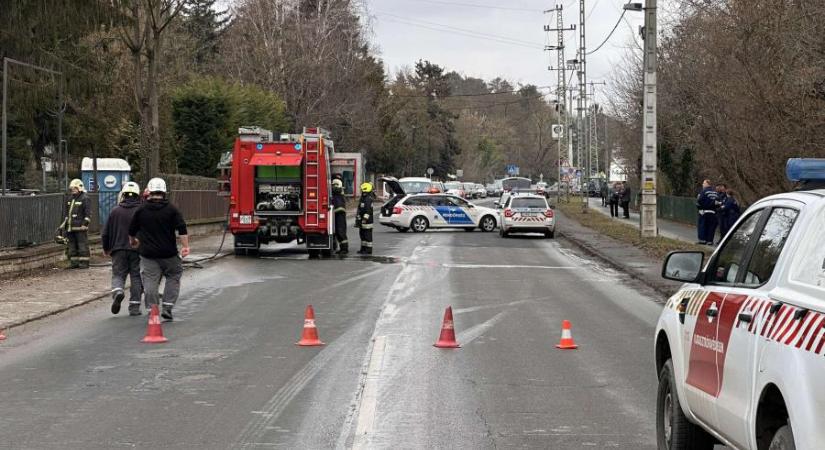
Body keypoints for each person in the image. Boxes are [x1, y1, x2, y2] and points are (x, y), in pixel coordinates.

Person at [128, 178, 189, 322]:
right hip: (169, 254)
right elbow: (182, 228)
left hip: (148, 255)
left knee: (150, 281)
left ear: (149, 191)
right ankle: (167, 306)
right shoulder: (172, 209)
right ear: (164, 192)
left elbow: (131, 230)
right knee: (174, 275)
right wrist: (185, 246)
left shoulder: (141, 210)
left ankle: (152, 309)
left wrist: (133, 242)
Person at [102, 181, 144, 316]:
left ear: (123, 195)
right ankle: (134, 307)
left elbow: (105, 233)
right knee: (136, 277)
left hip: (118, 249)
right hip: (137, 250)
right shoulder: (142, 211)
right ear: (138, 195)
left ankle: (118, 291)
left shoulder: (115, 211)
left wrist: (106, 248)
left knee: (118, 274)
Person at [59, 179, 92, 269]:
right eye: (72, 188)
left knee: (82, 245)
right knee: (72, 245)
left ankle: (84, 262)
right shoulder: (70, 198)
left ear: (80, 188)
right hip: (70, 227)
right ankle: (74, 262)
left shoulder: (85, 198)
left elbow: (88, 213)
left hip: (80, 227)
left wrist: (85, 224)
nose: (73, 190)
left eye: (75, 188)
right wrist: (64, 225)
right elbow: (66, 214)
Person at [695, 179, 720, 245]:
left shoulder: (704, 191)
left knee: (702, 226)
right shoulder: (715, 192)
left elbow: (699, 200)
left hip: (704, 212)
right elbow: (718, 202)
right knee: (711, 227)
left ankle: (702, 240)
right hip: (713, 213)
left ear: (707, 184)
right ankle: (710, 241)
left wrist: (701, 206)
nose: (702, 184)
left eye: (704, 183)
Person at [355, 182, 375, 255]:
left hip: (367, 222)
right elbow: (360, 209)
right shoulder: (363, 198)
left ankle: (368, 250)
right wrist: (359, 218)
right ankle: (363, 249)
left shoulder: (368, 199)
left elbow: (368, 211)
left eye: (362, 190)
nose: (362, 191)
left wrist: (364, 219)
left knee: (367, 236)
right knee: (362, 235)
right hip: (362, 221)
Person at [331, 178, 349, 255]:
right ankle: (342, 248)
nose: (333, 187)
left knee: (341, 232)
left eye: (334, 186)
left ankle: (344, 249)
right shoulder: (337, 195)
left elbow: (339, 208)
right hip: (338, 216)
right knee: (338, 232)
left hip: (340, 216)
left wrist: (332, 211)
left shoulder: (338, 196)